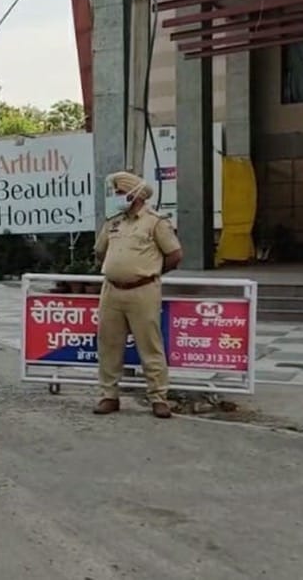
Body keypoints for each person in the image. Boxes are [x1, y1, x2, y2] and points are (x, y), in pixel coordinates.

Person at [92, 171, 184, 419]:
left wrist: (149, 272)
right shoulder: (113, 222)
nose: (116, 197)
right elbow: (100, 251)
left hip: (143, 291)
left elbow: (174, 255)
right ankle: (109, 395)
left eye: (120, 193)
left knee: (149, 344)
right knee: (108, 344)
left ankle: (158, 397)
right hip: (112, 290)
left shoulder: (155, 222)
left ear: (135, 195)